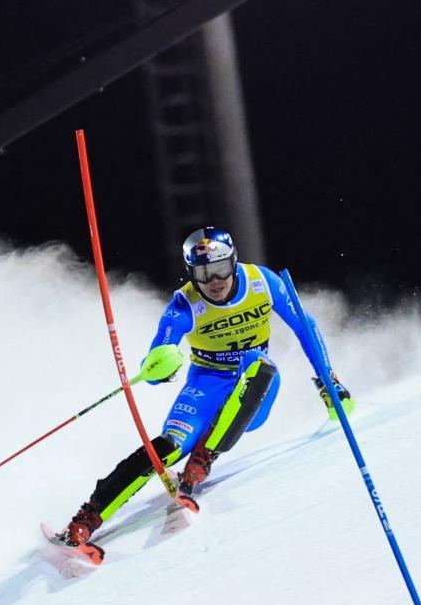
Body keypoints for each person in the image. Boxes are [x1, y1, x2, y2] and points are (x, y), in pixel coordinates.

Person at [53, 226, 353, 554]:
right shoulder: (184, 304)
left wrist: (329, 381)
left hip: (255, 387)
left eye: (221, 268)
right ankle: (84, 522)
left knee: (260, 365)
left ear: (234, 262)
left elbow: (305, 326)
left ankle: (202, 460)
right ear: (191, 273)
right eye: (203, 273)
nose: (214, 281)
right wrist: (158, 366)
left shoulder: (262, 281)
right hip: (206, 383)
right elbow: (155, 361)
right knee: (168, 446)